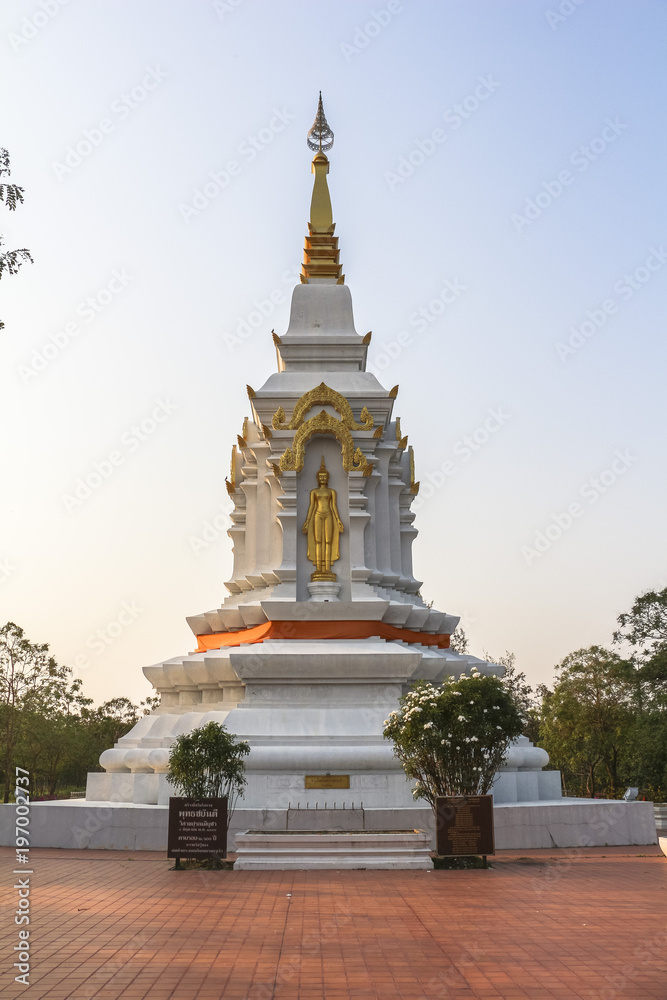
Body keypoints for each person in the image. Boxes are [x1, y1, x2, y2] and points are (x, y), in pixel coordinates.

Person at [302, 457, 343, 580]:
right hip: (317, 515)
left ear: (328, 478)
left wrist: (338, 520)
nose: (323, 478)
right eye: (321, 477)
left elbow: (334, 506)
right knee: (318, 541)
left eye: (325, 476)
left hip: (329, 514)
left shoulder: (332, 492)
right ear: (318, 478)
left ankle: (328, 569)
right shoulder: (314, 492)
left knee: (328, 541)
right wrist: (307, 521)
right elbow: (312, 507)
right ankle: (319, 568)